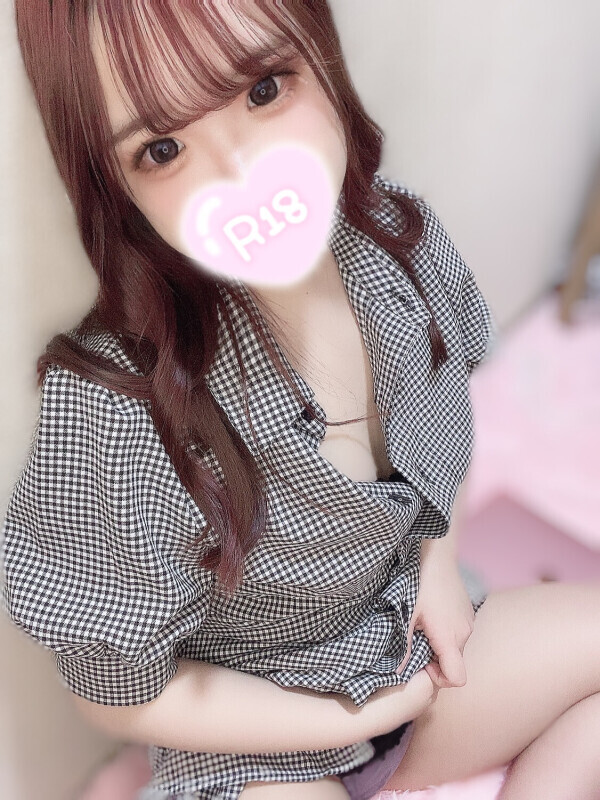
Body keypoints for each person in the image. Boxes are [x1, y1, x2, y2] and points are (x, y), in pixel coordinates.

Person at [1, 3, 599, 799]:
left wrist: (439, 569)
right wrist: (350, 718)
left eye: (263, 89)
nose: (241, 171)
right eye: (164, 149)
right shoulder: (114, 408)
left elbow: (444, 430)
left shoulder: (398, 245)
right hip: (260, 737)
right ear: (116, 187)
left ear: (321, 56)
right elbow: (117, 690)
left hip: (403, 641)